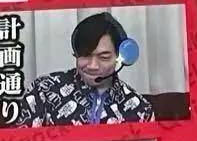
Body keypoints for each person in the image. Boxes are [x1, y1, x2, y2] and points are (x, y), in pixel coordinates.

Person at [22, 13, 154, 126]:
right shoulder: (43, 90)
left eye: (104, 57)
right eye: (85, 55)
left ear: (121, 57)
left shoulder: (141, 110)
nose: (92, 66)